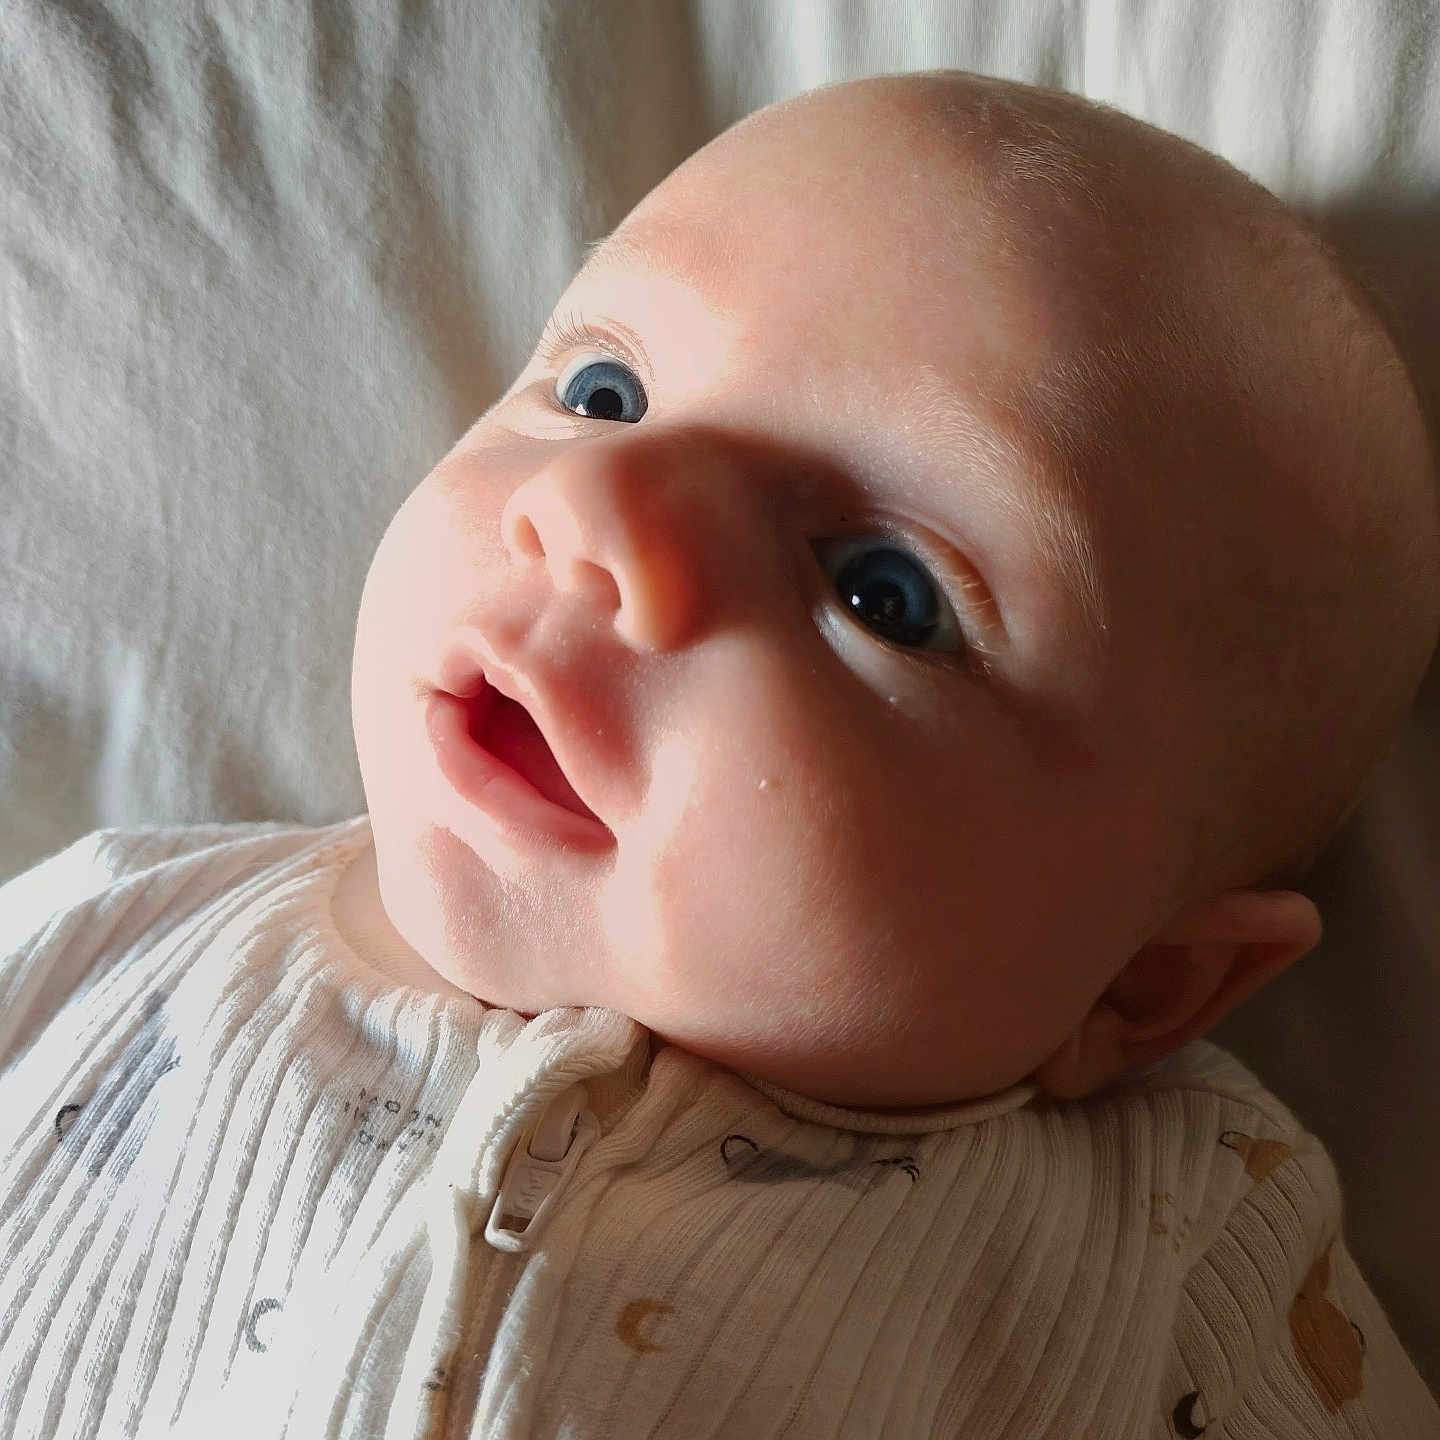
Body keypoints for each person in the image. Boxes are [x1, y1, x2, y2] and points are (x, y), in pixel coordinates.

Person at [1, 70, 1437, 1439]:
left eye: (882, 590)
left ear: (1145, 984)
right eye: (606, 393)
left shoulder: (1190, 1229)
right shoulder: (119, 926)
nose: (601, 510)